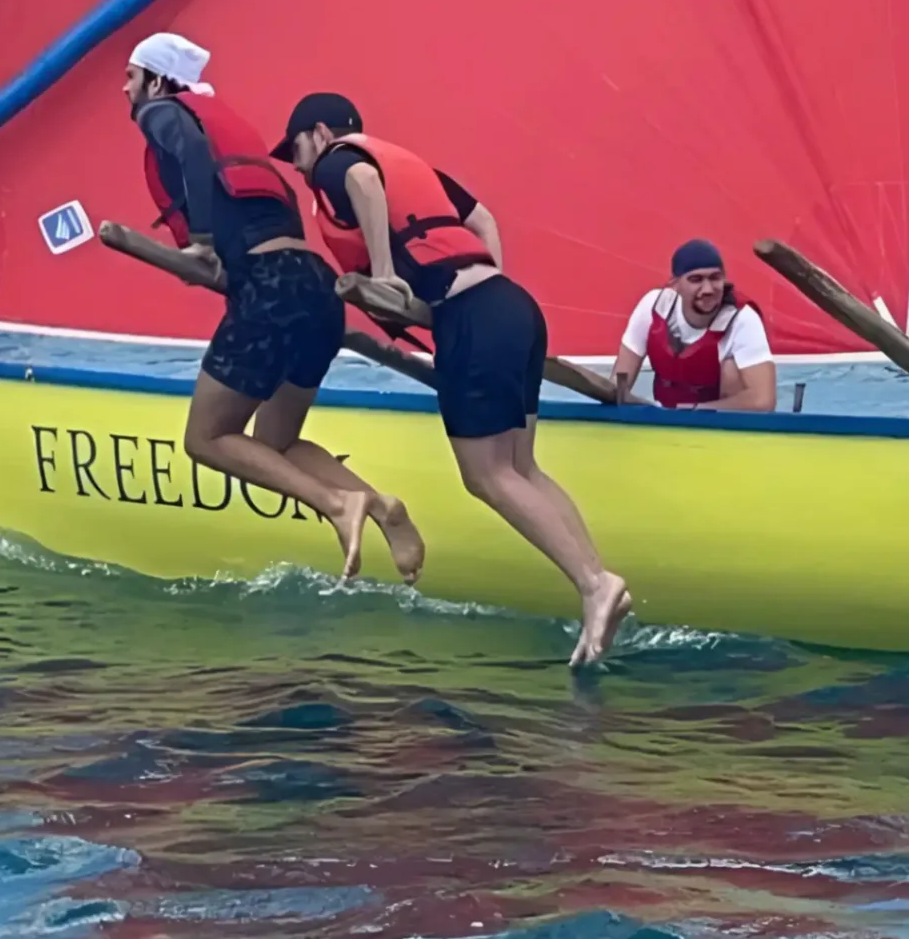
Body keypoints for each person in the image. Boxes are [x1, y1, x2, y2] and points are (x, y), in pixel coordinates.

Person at [271, 92, 629, 667]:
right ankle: (600, 581)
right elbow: (482, 219)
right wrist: (488, 284)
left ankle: (593, 583)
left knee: (485, 476)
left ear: (318, 132)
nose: (296, 163)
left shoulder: (339, 160)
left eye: (295, 150)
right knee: (521, 467)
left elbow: (361, 181)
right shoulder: (418, 172)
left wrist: (384, 274)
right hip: (513, 307)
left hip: (475, 322)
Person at [124, 36, 423, 584]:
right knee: (277, 442)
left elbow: (188, 150)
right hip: (317, 289)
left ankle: (337, 505)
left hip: (272, 287)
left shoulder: (162, 112)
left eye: (132, 76)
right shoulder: (231, 134)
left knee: (206, 438)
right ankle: (381, 506)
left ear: (160, 81)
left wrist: (204, 241)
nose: (127, 89)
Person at [612, 241, 777, 411]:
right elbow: (618, 383)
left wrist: (693, 411)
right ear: (674, 285)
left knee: (731, 369)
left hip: (720, 425)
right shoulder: (653, 307)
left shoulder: (742, 318)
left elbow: (763, 402)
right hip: (663, 420)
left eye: (715, 278)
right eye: (695, 280)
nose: (708, 289)